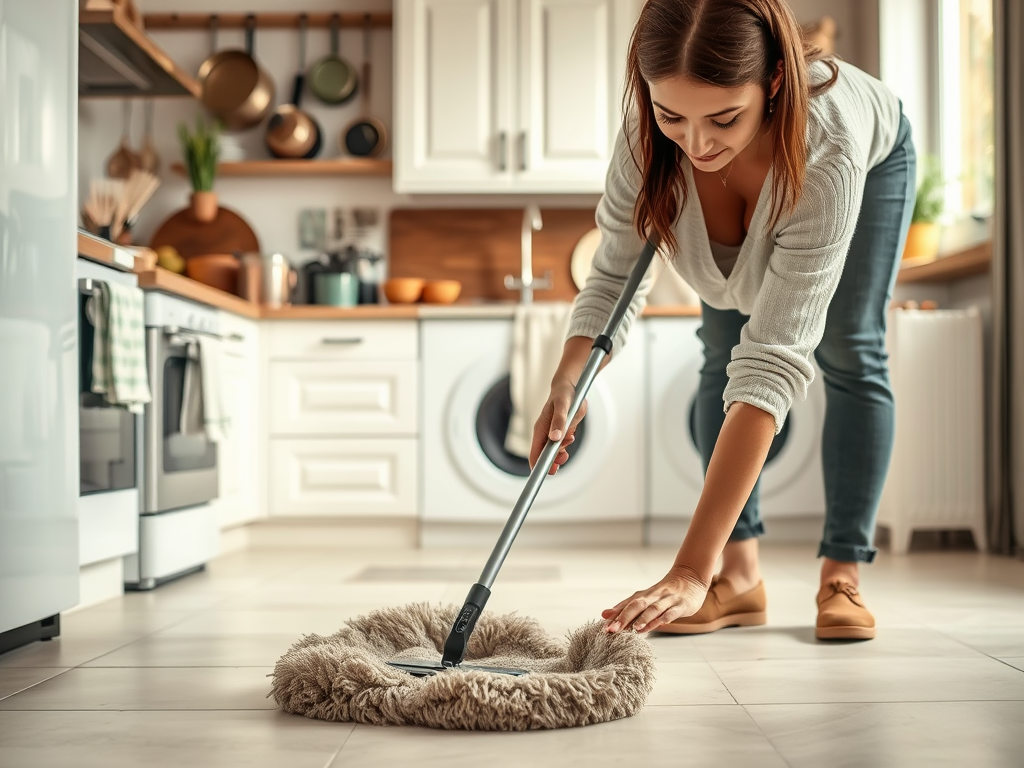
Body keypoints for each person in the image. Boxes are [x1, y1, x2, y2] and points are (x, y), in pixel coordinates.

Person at [529, 0, 915, 641]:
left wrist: (685, 567)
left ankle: (840, 574)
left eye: (724, 118)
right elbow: (615, 274)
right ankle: (737, 579)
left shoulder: (830, 151)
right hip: (782, 169)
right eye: (670, 113)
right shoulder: (647, 140)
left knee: (850, 349)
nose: (698, 144)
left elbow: (773, 360)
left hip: (872, 165)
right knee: (719, 347)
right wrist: (571, 377)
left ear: (773, 85)